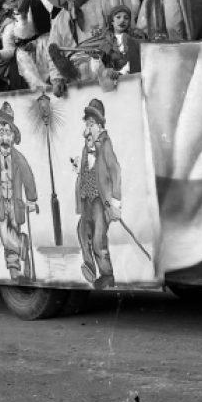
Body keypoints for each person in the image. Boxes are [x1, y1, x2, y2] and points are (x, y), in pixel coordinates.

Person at [0, 102, 38, 281]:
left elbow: (28, 176)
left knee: (13, 229)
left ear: (13, 136)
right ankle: (23, 245)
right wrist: (0, 174)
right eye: (2, 132)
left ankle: (14, 266)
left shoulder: (19, 159)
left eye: (8, 132)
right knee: (5, 236)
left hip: (15, 202)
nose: (4, 135)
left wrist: (32, 199)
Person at [76, 99, 122, 290]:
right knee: (81, 231)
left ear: (100, 125)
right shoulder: (87, 147)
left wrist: (116, 203)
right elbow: (86, 171)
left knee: (98, 240)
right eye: (86, 124)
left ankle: (107, 275)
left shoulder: (105, 145)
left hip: (100, 202)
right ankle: (89, 267)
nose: (88, 128)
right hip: (87, 198)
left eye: (91, 124)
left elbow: (116, 171)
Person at [47, 0, 106, 96]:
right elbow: (53, 52)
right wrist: (57, 80)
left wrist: (105, 54)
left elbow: (112, 36)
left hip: (101, 69)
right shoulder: (58, 20)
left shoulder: (100, 7)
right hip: (72, 76)